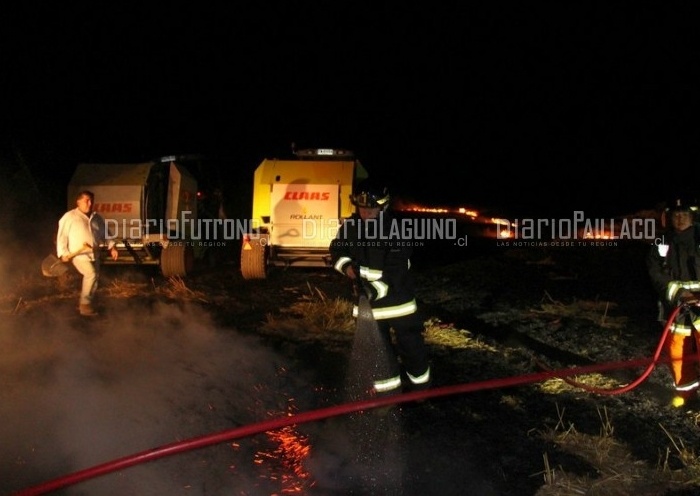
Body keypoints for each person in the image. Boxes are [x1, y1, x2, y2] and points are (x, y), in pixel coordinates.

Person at [329, 179, 431, 399]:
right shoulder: (349, 227)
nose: (366, 212)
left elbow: (396, 269)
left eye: (371, 207)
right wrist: (346, 267)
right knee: (377, 352)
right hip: (368, 305)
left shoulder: (397, 230)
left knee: (411, 349)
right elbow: (337, 250)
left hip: (398, 305)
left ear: (383, 206)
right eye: (362, 207)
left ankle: (420, 390)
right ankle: (388, 396)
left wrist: (374, 289)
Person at [647, 196, 700, 408]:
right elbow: (655, 271)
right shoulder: (662, 242)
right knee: (677, 353)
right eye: (676, 215)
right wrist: (680, 294)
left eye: (684, 214)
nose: (679, 218)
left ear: (692, 216)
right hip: (677, 308)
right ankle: (685, 394)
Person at [56, 190, 119, 316]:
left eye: (91, 201)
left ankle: (89, 303)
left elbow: (106, 234)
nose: (89, 203)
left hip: (94, 254)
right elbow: (62, 236)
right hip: (78, 255)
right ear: (78, 202)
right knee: (91, 274)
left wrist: (112, 248)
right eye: (86, 201)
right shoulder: (70, 217)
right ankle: (84, 305)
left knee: (94, 280)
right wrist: (63, 252)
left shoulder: (97, 218)